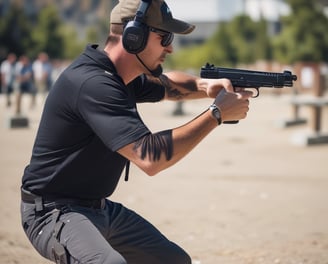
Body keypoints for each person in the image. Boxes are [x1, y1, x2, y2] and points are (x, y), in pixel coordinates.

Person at [20, 0, 252, 263]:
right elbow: (150, 157)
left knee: (173, 260)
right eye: (164, 36)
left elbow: (165, 84)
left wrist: (204, 85)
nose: (170, 47)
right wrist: (216, 114)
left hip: (98, 208)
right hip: (52, 212)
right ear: (134, 36)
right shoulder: (94, 84)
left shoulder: (120, 77)